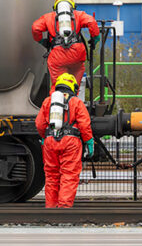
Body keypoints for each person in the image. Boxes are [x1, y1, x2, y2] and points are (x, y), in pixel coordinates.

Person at [35, 73, 94, 208]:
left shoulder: (47, 102)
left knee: (51, 177)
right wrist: (89, 142)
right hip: (71, 142)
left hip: (50, 141)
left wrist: (45, 137)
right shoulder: (76, 102)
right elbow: (85, 125)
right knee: (69, 175)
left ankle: (51, 208)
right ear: (73, 87)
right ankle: (63, 210)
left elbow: (39, 124)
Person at [31, 0, 100, 92]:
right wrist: (95, 38)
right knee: (73, 87)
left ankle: (55, 104)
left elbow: (35, 27)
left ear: (55, 7)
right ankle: (73, 104)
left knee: (57, 87)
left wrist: (42, 41)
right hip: (77, 55)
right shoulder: (78, 15)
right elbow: (91, 22)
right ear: (72, 6)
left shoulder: (48, 17)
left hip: (57, 57)